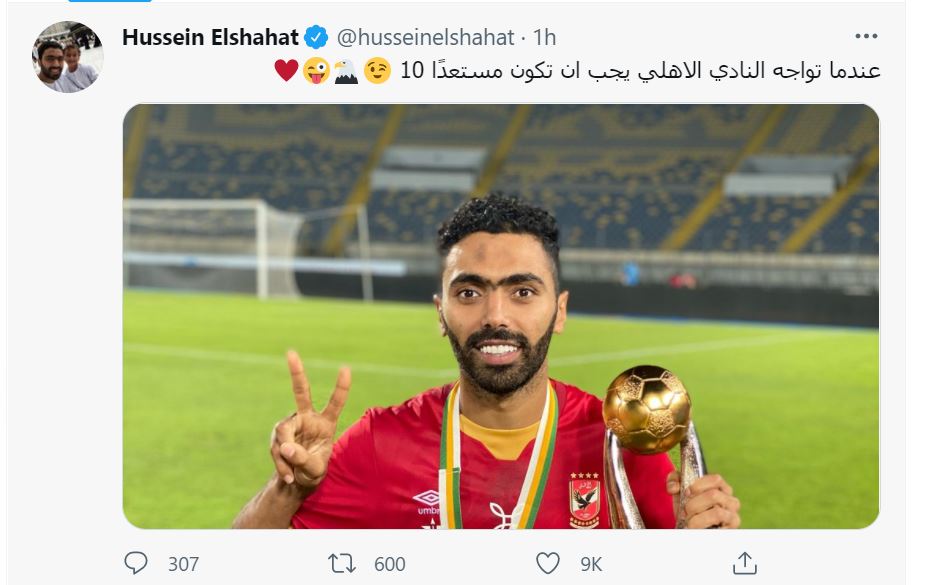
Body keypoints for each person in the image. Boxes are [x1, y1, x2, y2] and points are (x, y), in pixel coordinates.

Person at [233, 193, 741, 529]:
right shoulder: (378, 443)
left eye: (523, 291)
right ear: (441, 311)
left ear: (560, 311)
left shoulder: (620, 442)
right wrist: (289, 489)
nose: (496, 316)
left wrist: (705, 543)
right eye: (470, 292)